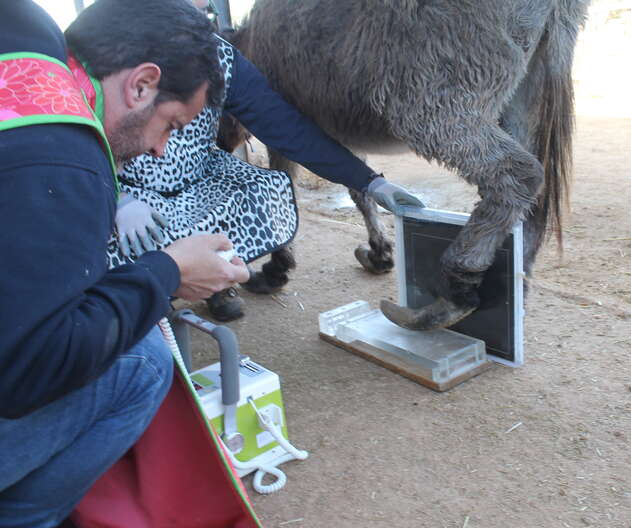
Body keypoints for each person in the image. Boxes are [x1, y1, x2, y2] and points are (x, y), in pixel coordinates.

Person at [0, 0, 249, 525]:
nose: (162, 151)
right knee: (142, 363)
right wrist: (169, 272)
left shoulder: (26, 38)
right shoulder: (66, 159)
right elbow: (31, 369)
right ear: (141, 85)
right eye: (170, 124)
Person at [109, 0, 425, 322]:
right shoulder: (112, 49)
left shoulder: (219, 56)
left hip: (196, 177)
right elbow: (77, 131)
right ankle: (139, 292)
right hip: (126, 185)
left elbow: (285, 128)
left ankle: (214, 278)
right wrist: (115, 194)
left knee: (259, 187)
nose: (201, 8)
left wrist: (369, 181)